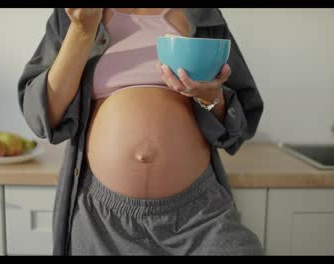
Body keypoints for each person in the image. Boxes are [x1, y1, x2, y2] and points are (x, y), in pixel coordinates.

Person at [18, 8, 264, 255]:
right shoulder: (74, 13)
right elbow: (45, 118)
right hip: (102, 220)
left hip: (197, 214)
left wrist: (212, 98)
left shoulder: (203, 14)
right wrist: (82, 30)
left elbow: (238, 127)